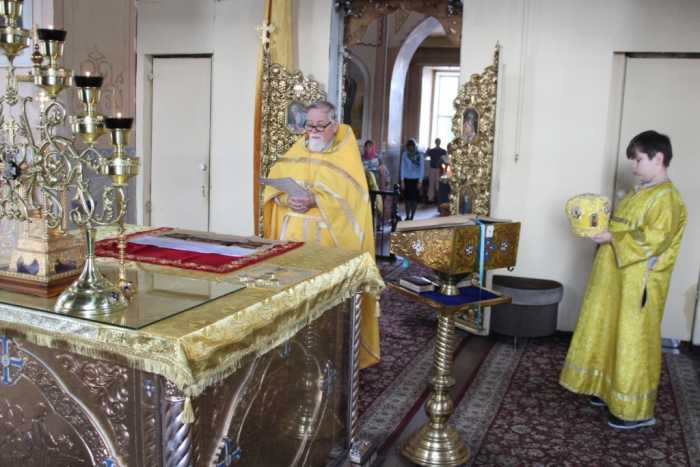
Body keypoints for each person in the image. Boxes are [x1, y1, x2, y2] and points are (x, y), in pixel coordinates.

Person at [559, 130, 687, 430]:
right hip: (616, 279)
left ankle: (636, 411)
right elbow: (619, 227)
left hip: (638, 284)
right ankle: (607, 390)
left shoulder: (667, 199)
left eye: (638, 159)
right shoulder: (638, 191)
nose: (633, 166)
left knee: (633, 341)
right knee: (609, 332)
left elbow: (652, 241)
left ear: (659, 158)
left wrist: (610, 238)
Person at [262, 100, 381, 369]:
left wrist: (316, 200)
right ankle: (290, 353)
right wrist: (285, 199)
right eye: (309, 125)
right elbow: (273, 189)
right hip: (291, 241)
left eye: (320, 126)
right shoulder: (296, 150)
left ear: (334, 125)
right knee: (292, 301)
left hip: (326, 242)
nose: (313, 131)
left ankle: (328, 356)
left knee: (324, 304)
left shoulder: (344, 154)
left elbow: (355, 200)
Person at [400, 139, 424, 221]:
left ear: (414, 146)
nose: (410, 148)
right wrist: (402, 180)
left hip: (416, 180)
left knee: (414, 200)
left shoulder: (420, 155)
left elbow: (422, 169)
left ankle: (412, 216)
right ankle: (407, 216)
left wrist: (420, 181)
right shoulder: (404, 154)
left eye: (412, 146)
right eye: (409, 147)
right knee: (407, 199)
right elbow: (402, 167)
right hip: (407, 179)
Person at [427, 138, 447, 204]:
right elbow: (426, 154)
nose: (438, 142)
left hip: (439, 169)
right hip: (432, 168)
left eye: (438, 141)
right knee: (431, 184)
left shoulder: (443, 151)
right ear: (435, 142)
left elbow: (445, 160)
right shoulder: (432, 150)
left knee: (438, 184)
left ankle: (438, 198)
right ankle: (430, 198)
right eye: (437, 141)